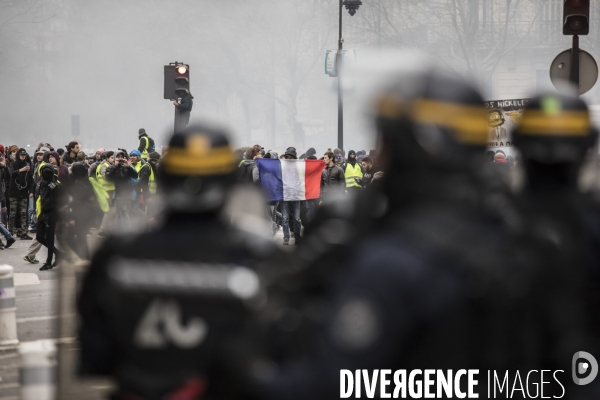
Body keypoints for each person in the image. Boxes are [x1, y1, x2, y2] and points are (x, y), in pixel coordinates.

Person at [240, 69, 578, 399]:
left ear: (409, 147)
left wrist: (236, 370)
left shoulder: (393, 265)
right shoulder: (536, 241)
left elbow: (331, 384)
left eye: (384, 141)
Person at [78, 124, 283, 400]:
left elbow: (95, 350)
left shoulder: (120, 250)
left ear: (165, 178)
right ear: (230, 182)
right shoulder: (258, 252)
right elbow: (281, 347)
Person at [105, 150, 138, 231]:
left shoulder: (126, 167)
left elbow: (135, 176)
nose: (120, 159)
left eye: (121, 157)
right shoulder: (111, 167)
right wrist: (114, 166)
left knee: (123, 213)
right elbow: (107, 178)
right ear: (115, 158)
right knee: (122, 213)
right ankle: (126, 230)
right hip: (117, 194)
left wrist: (129, 167)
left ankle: (123, 230)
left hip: (127, 194)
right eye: (118, 157)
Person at [36, 164, 61, 271]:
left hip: (52, 212)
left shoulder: (55, 185)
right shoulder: (40, 183)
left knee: (50, 239)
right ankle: (58, 253)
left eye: (48, 171)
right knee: (39, 237)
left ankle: (48, 262)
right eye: (44, 171)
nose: (46, 173)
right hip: (42, 212)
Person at [8, 148, 34, 239]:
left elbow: (31, 180)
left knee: (23, 213)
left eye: (24, 155)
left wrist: (31, 191)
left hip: (23, 192)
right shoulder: (13, 164)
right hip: (14, 192)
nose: (23, 157)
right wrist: (21, 170)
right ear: (18, 156)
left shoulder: (28, 165)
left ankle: (23, 232)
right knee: (12, 213)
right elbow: (11, 173)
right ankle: (10, 231)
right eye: (21, 155)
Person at [281, 147, 302, 245]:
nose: (288, 158)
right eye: (287, 156)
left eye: (290, 157)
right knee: (285, 217)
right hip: (285, 194)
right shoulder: (281, 166)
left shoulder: (299, 167)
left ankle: (297, 237)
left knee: (297, 218)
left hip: (295, 195)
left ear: (294, 158)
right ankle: (286, 238)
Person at [0, 148, 16, 249]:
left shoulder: (2, 167)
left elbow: (8, 179)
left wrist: (5, 167)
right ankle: (8, 237)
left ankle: (8, 236)